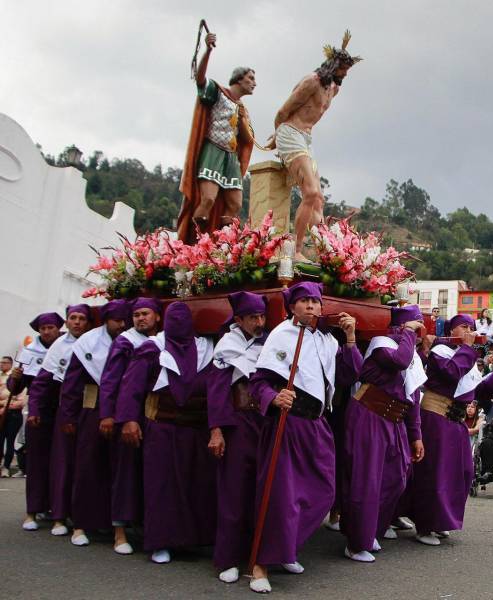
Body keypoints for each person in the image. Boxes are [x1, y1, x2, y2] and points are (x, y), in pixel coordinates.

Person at [248, 282, 361, 592]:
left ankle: (287, 546)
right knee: (281, 497)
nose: (311, 306)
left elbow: (350, 376)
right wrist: (273, 397)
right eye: (304, 301)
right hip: (289, 422)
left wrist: (350, 338)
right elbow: (259, 383)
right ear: (292, 307)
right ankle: (260, 566)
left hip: (318, 424)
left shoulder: (328, 341)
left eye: (315, 302)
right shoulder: (281, 335)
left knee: (324, 491)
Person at [115, 302, 217, 565]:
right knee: (162, 487)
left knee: (196, 484)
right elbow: (132, 386)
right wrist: (128, 420)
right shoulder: (151, 348)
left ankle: (193, 539)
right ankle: (161, 542)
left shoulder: (206, 348)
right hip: (162, 428)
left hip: (195, 429)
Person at [340, 305, 427, 562]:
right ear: (401, 326)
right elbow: (399, 360)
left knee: (395, 479)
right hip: (369, 414)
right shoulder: (383, 345)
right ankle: (356, 542)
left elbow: (413, 396)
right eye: (416, 323)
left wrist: (416, 435)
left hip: (394, 420)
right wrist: (409, 334)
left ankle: (370, 532)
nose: (420, 329)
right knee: (366, 480)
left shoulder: (410, 350)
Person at [408, 314, 493, 547]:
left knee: (462, 472)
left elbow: (479, 391)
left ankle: (442, 520)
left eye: (472, 327)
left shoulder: (467, 356)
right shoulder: (441, 351)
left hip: (456, 422)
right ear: (452, 329)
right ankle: (425, 524)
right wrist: (469, 349)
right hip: (436, 416)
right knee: (435, 473)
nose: (469, 330)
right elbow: (451, 373)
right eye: (464, 326)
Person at [268, 30, 362, 262]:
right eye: (343, 70)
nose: (345, 75)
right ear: (332, 65)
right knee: (310, 192)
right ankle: (295, 250)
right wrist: (278, 135)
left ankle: (326, 250)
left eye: (347, 71)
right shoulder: (311, 81)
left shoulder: (334, 89)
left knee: (318, 198)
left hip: (306, 139)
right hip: (291, 134)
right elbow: (283, 111)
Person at [207, 292, 268, 583]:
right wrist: (217, 430)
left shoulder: (270, 344)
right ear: (238, 319)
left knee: (267, 491)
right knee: (234, 492)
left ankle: (263, 557)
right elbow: (217, 391)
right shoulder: (226, 346)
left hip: (265, 423)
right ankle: (228, 558)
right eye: (253, 318)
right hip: (238, 424)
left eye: (262, 317)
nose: (259, 322)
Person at [58, 300, 130, 547]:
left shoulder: (130, 340)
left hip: (121, 411)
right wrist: (68, 416)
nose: (121, 325)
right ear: (105, 320)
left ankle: (114, 525)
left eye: (124, 320)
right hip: (92, 411)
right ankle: (80, 525)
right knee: (87, 467)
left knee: (116, 470)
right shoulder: (87, 343)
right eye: (116, 321)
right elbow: (71, 383)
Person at [97, 297, 162, 553]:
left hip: (153, 415)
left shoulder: (163, 340)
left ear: (157, 316)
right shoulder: (126, 342)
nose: (140, 319)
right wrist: (110, 415)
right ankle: (119, 533)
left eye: (145, 314)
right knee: (124, 473)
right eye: (136, 315)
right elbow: (110, 380)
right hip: (128, 415)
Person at [178, 30, 255, 243]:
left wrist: (242, 120)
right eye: (250, 78)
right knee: (208, 200)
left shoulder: (243, 109)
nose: (254, 83)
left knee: (235, 204)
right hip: (213, 151)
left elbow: (248, 140)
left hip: (231, 158)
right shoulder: (218, 91)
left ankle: (220, 245)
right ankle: (191, 245)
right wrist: (208, 51)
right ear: (238, 79)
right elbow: (200, 79)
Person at [29, 304, 92, 536]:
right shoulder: (60, 346)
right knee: (62, 464)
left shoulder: (95, 341)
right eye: (73, 318)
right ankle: (58, 515)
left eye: (81, 318)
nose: (77, 322)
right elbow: (42, 382)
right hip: (65, 411)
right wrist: (34, 407)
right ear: (67, 322)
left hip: (89, 410)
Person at [6, 312, 65, 529]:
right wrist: (15, 376)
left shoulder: (68, 345)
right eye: (43, 328)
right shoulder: (28, 352)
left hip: (62, 409)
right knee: (37, 461)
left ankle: (58, 508)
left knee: (60, 462)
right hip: (38, 412)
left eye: (51, 327)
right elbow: (15, 388)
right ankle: (33, 509)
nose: (47, 332)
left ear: (59, 328)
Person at [0, 356, 24, 477]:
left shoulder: (15, 378)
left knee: (9, 441)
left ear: (10, 364)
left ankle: (6, 467)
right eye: (1, 362)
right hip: (1, 414)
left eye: (4, 363)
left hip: (12, 415)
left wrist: (5, 406)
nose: (2, 364)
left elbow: (21, 401)